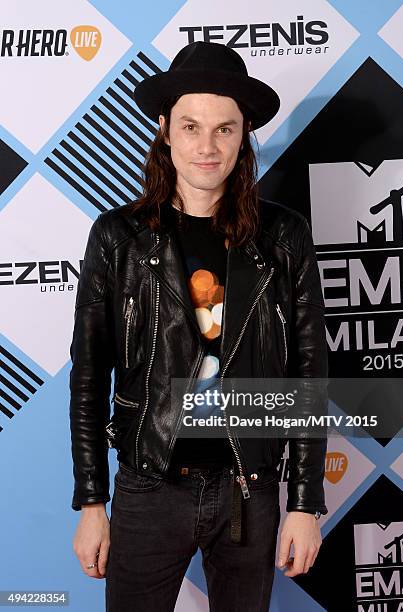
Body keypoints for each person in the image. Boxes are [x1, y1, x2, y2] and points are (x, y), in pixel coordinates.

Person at [69, 41, 329, 611]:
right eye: (190, 126)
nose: (206, 147)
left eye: (224, 129)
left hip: (249, 488)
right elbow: (89, 374)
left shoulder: (283, 237)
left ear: (244, 135)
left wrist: (304, 504)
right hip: (148, 488)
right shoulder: (119, 238)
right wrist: (91, 503)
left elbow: (310, 371)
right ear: (165, 130)